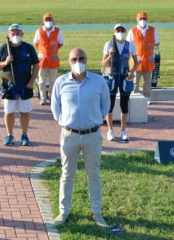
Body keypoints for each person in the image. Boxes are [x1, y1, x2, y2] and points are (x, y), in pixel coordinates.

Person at [51, 48, 110, 228]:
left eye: (81, 58)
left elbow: (105, 105)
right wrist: (66, 122)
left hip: (92, 135)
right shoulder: (61, 82)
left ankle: (97, 212)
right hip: (69, 135)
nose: (78, 61)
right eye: (74, 59)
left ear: (87, 59)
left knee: (94, 174)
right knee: (67, 174)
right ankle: (64, 211)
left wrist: (94, 120)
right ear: (68, 62)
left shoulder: (99, 82)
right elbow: (56, 108)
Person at [0, 24, 39, 146]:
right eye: (13, 33)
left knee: (24, 111)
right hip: (9, 86)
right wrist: (5, 62)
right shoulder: (4, 48)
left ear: (22, 34)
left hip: (25, 86)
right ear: (9, 34)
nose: (15, 35)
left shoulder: (28, 48)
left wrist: (31, 83)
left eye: (18, 33)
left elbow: (36, 66)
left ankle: (24, 134)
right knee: (9, 112)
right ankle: (9, 135)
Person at [101, 24, 139, 141]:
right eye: (118, 30)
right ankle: (110, 130)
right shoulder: (109, 44)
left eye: (122, 30)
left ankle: (123, 130)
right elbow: (103, 63)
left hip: (124, 77)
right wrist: (110, 54)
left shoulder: (131, 45)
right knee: (110, 104)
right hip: (112, 77)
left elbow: (136, 62)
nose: (120, 32)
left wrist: (132, 72)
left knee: (124, 104)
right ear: (114, 31)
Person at [126, 12, 159, 101]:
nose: (142, 20)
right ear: (137, 19)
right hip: (136, 61)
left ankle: (147, 97)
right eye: (140, 19)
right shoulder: (132, 30)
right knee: (135, 81)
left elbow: (156, 43)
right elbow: (128, 44)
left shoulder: (153, 30)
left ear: (147, 19)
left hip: (148, 61)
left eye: (144, 18)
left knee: (147, 81)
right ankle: (134, 97)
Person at [33, 13, 64, 105]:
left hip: (53, 60)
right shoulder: (39, 31)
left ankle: (51, 97)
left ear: (53, 21)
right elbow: (36, 43)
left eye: (50, 20)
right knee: (41, 80)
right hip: (42, 60)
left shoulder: (58, 31)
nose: (48, 22)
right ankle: (43, 98)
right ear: (43, 21)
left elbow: (61, 43)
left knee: (53, 80)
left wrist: (52, 51)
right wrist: (43, 51)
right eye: (46, 20)